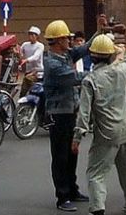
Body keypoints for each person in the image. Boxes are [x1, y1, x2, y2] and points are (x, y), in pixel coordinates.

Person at [44, 17, 106, 212]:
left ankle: (72, 189)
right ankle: (62, 197)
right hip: (59, 113)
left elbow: (84, 48)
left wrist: (99, 30)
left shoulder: (66, 55)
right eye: (66, 38)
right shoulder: (52, 63)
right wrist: (103, 73)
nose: (70, 41)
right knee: (60, 156)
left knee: (72, 152)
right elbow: (75, 77)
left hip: (71, 111)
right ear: (58, 41)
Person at [72, 35, 126, 215]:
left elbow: (84, 114)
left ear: (92, 57)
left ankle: (98, 208)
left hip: (105, 134)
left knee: (95, 173)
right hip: (124, 130)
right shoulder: (121, 71)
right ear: (110, 56)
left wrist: (77, 138)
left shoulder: (90, 80)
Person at [19, 25, 44, 96]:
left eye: (33, 34)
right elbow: (20, 54)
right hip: (28, 72)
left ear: (37, 36)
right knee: (23, 92)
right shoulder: (25, 45)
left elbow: (36, 57)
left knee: (35, 92)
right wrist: (18, 53)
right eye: (29, 34)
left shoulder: (40, 45)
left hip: (38, 72)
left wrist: (26, 60)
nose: (30, 36)